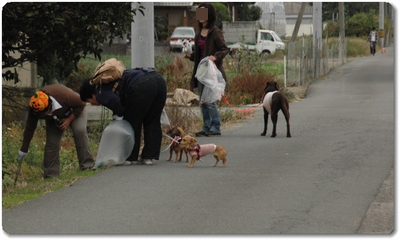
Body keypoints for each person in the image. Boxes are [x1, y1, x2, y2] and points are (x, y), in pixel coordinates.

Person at [79, 67, 167, 165]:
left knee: (132, 122)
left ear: (91, 95)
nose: (91, 103)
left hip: (140, 84)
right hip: (159, 80)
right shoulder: (107, 83)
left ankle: (130, 157)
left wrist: (121, 114)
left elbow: (119, 107)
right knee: (152, 120)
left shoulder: (100, 93)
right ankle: (149, 157)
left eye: (88, 101)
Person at [18, 84, 95, 178]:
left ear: (49, 105)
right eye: (40, 115)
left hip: (75, 111)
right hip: (55, 118)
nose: (42, 116)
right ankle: (51, 175)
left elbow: (82, 103)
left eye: (44, 113)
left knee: (80, 131)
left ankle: (87, 165)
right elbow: (29, 128)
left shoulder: (64, 96)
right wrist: (24, 149)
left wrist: (69, 120)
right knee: (52, 143)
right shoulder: (35, 108)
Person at [184, 2, 229, 137]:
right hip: (201, 72)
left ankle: (215, 127)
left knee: (209, 101)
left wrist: (215, 57)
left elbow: (224, 49)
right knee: (202, 101)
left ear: (209, 15)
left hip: (211, 72)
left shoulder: (215, 32)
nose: (200, 16)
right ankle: (206, 126)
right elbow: (199, 54)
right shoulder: (198, 33)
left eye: (203, 12)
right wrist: (190, 56)